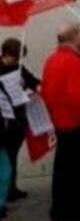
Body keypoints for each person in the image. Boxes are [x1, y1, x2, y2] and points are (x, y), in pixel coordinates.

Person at [41, 22, 80, 221]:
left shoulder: (52, 60)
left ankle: (59, 210)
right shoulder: (75, 62)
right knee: (79, 172)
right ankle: (75, 212)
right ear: (74, 36)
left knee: (63, 170)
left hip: (61, 123)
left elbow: (46, 92)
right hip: (78, 124)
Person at [0, 38, 40, 202]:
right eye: (16, 58)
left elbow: (34, 82)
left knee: (13, 153)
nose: (18, 61)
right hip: (4, 120)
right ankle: (5, 190)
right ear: (7, 55)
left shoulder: (19, 69)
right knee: (5, 157)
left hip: (18, 119)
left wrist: (32, 86)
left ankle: (12, 187)